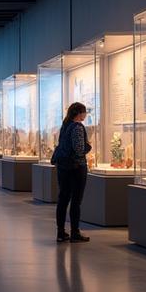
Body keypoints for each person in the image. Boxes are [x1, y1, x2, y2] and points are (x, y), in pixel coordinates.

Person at [52, 102, 92, 243]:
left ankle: (61, 233)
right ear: (79, 113)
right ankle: (75, 232)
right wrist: (89, 146)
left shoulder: (65, 125)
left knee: (63, 199)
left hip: (63, 167)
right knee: (76, 201)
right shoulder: (78, 127)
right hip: (77, 168)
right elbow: (80, 149)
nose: (85, 114)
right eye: (85, 112)